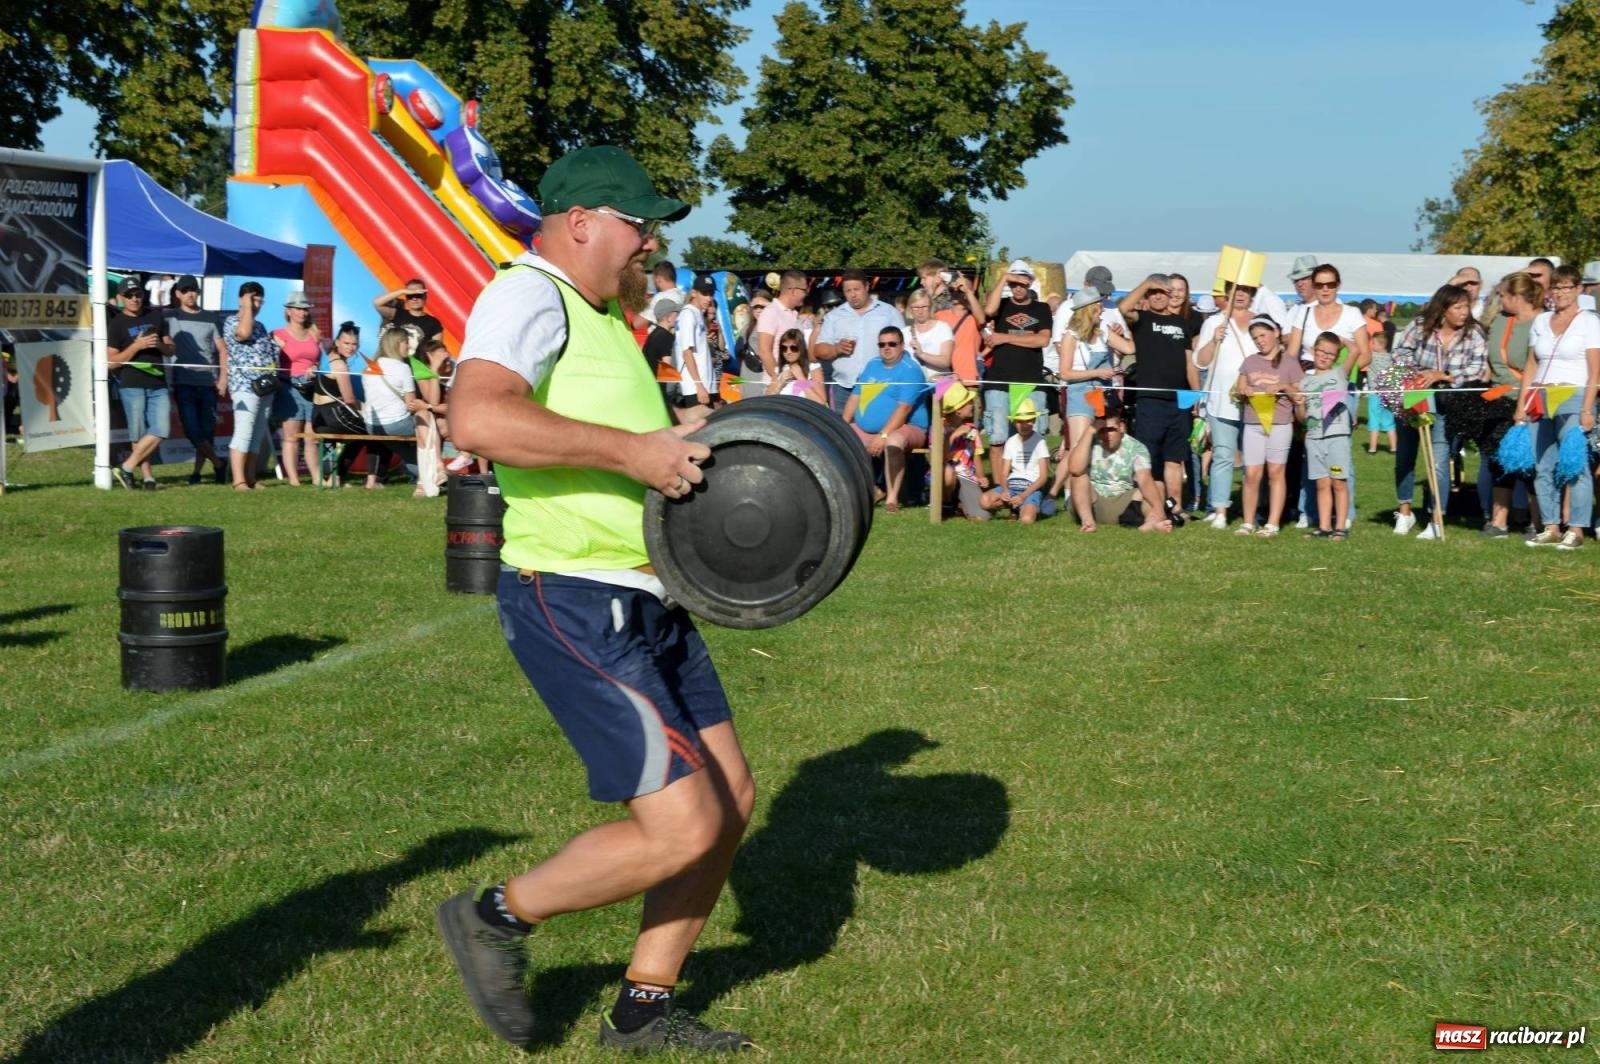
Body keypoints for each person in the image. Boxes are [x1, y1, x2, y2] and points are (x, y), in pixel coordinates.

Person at [439, 145, 754, 1053]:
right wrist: (632, 451)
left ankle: (642, 1012)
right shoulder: (528, 293)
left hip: (651, 595)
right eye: (635, 222)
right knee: (682, 825)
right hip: (573, 597)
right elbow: (479, 416)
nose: (647, 240)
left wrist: (690, 433)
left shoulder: (601, 313)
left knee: (730, 799)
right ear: (581, 221)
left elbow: (619, 433)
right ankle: (495, 916)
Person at [1391, 283, 1487, 539]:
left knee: (1439, 462)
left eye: (1467, 306)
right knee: (1405, 456)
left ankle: (1436, 518)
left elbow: (1476, 369)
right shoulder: (1420, 325)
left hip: (1448, 404)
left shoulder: (1474, 333)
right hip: (1414, 396)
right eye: (1458, 307)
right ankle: (1405, 511)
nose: (1464, 312)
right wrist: (1417, 373)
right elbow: (1400, 353)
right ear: (1444, 309)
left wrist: (1442, 375)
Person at [1518, 263, 1600, 550]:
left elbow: (1595, 371)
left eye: (1567, 287)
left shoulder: (1589, 322)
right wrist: (1522, 404)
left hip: (1574, 396)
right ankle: (1550, 526)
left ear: (1578, 289)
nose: (1562, 292)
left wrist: (1587, 408)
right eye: (1557, 287)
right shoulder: (1540, 321)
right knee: (1542, 465)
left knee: (1574, 465)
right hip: (1540, 398)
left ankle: (1576, 529)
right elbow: (1531, 365)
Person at [1284, 263, 1370, 527]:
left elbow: (1364, 353)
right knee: (1311, 448)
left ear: (1338, 285)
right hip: (1308, 386)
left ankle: (1344, 517)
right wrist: (1296, 383)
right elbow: (1291, 354)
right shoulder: (1303, 313)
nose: (1324, 289)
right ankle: (1309, 512)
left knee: (1339, 450)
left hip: (1338, 385)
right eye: (1319, 284)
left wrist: (1337, 368)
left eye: (1330, 284)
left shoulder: (1352, 314)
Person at [1117, 273, 1200, 525]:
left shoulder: (1181, 323)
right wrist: (1146, 284)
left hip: (1179, 399)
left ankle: (1177, 507)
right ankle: (1156, 507)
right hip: (1150, 400)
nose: (1158, 296)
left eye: (1162, 292)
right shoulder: (1141, 319)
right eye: (1153, 292)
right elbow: (1123, 307)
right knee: (1150, 458)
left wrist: (1196, 395)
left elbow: (1189, 362)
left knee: (1175, 457)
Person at [1046, 287, 1130, 499]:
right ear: (1088, 309)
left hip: (1101, 393)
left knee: (1095, 447)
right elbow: (1065, 372)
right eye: (1098, 307)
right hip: (1079, 392)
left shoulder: (1103, 330)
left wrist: (1121, 334)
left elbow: (1130, 349)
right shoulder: (1070, 336)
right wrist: (1097, 372)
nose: (1102, 310)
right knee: (1077, 448)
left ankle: (1085, 494)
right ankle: (1061, 492)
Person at [1478, 272, 1542, 535]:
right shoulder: (1500, 322)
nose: (1499, 299)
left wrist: (1523, 407)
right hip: (1499, 399)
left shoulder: (1541, 322)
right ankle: (1499, 521)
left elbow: (1534, 364)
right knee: (1499, 460)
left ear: (1517, 297)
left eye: (1503, 295)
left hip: (1531, 401)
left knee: (1530, 464)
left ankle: (1538, 521)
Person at [841, 325, 930, 513]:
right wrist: (840, 426)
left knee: (893, 442)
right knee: (839, 440)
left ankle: (892, 499)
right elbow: (855, 397)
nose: (886, 348)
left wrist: (882, 435)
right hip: (867, 429)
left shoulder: (910, 370)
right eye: (882, 344)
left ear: (901, 346)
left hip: (908, 427)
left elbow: (904, 409)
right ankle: (868, 491)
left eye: (892, 344)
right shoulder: (872, 365)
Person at [1193, 280, 1259, 529]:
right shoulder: (1213, 322)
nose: (1241, 295)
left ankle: (1254, 510)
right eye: (1236, 290)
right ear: (1228, 293)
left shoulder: (1260, 321)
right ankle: (1220, 510)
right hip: (1222, 400)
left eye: (1246, 290)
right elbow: (1200, 361)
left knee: (1254, 458)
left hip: (1255, 399)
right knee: (1222, 454)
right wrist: (1213, 340)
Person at [979, 260, 1053, 475]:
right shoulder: (1001, 305)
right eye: (1014, 283)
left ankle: (1029, 482)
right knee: (997, 438)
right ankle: (1000, 487)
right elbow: (988, 310)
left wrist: (1003, 337)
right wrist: (1003, 278)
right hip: (1000, 379)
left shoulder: (1041, 308)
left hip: (1030, 379)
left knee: (1033, 437)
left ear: (1030, 283)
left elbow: (1042, 340)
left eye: (1022, 282)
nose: (1018, 287)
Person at [1233, 317, 1303, 537]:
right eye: (1255, 338)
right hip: (1253, 422)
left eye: (1263, 335)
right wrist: (1242, 392)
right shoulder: (1249, 362)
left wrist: (1283, 386)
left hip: (1280, 423)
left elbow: (1300, 395)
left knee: (1275, 472)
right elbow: (1238, 388)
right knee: (1252, 474)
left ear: (1275, 333)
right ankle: (1248, 522)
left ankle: (1272, 523)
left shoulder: (1290, 362)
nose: (1259, 341)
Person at [107, 275, 176, 490]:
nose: (134, 299)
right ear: (120, 298)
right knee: (137, 433)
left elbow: (172, 348)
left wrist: (160, 346)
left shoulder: (156, 316)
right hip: (131, 383)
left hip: (157, 382)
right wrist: (136, 347)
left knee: (162, 429)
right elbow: (111, 362)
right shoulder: (116, 324)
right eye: (129, 296)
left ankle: (126, 467)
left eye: (137, 294)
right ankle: (147, 477)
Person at [1063, 404, 1171, 533]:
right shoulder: (1089, 441)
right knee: (1078, 477)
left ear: (1121, 427)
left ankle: (1152, 521)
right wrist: (1089, 431)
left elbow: (1144, 479)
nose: (1107, 435)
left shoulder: (1136, 447)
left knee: (1157, 485)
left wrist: (1159, 510)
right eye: (1102, 430)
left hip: (1123, 501)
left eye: (1111, 429)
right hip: (1092, 501)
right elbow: (1075, 469)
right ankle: (1088, 522)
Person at [164, 274, 229, 485]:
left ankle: (197, 472)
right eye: (185, 290)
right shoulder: (170, 316)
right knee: (191, 429)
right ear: (177, 294)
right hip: (183, 383)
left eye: (193, 289)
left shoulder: (210, 317)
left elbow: (222, 349)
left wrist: (222, 379)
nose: (190, 294)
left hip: (207, 383)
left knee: (206, 430)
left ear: (198, 292)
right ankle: (219, 463)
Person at [815, 270, 905, 414]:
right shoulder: (834, 316)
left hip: (879, 386)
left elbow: (904, 348)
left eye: (856, 289)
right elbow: (818, 350)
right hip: (844, 388)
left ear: (867, 287)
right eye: (848, 291)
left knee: (874, 429)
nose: (852, 295)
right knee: (842, 432)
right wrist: (836, 349)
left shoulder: (888, 313)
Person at [222, 281, 280, 491]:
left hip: (264, 387)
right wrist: (246, 306)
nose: (256, 304)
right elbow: (244, 333)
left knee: (256, 435)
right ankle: (238, 481)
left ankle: (251, 477)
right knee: (243, 433)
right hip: (244, 387)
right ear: (241, 299)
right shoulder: (232, 322)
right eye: (251, 298)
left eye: (258, 299)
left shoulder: (261, 326)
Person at [1299, 332, 1354, 539]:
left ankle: (1340, 526)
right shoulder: (1305, 382)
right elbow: (1303, 417)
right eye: (1321, 351)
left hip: (1336, 437)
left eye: (1331, 354)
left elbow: (1356, 350)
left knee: (1338, 482)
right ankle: (1324, 527)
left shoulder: (1340, 374)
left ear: (1337, 357)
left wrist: (1342, 340)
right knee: (1321, 483)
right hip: (1314, 438)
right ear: (1314, 350)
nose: (1324, 357)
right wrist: (1298, 405)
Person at [361, 326, 426, 492]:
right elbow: (411, 404)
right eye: (406, 342)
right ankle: (434, 470)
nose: (408, 347)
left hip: (372, 426)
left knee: (406, 452)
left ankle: (424, 474)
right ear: (397, 344)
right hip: (396, 424)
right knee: (431, 425)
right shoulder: (402, 368)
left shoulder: (368, 368)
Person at [270, 292, 323, 487]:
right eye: (299, 308)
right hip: (288, 387)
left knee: (311, 436)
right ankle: (293, 479)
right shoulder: (278, 334)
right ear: (289, 311)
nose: (303, 312)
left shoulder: (314, 334)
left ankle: (317, 477)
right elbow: (271, 362)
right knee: (291, 436)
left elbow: (318, 359)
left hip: (311, 387)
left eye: (305, 309)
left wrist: (315, 367)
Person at [310, 321, 368, 485]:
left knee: (331, 439)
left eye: (354, 344)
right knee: (370, 432)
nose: (350, 347)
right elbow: (349, 399)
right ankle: (338, 475)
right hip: (332, 415)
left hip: (317, 416)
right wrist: (365, 409)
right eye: (346, 343)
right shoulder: (340, 365)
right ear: (337, 342)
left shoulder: (326, 359)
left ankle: (329, 477)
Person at [916, 259, 985, 387]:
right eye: (952, 291)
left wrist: (967, 291)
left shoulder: (972, 317)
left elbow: (982, 319)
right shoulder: (942, 315)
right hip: (943, 375)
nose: (955, 293)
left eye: (960, 291)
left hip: (967, 375)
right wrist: (931, 291)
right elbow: (924, 322)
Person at [981, 399, 1051, 523]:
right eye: (1020, 421)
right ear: (1014, 422)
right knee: (984, 501)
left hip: (1030, 487)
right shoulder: (1011, 441)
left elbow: (1043, 477)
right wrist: (1005, 490)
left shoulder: (1040, 442)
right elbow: (1003, 474)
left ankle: (1027, 508)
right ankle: (1014, 507)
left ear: (1034, 421)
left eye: (1028, 421)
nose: (1024, 425)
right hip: (1012, 485)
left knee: (1027, 520)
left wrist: (1023, 496)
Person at [939, 381, 989, 520]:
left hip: (967, 475)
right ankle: (946, 503)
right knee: (948, 472)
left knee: (983, 516)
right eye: (969, 402)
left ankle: (961, 504)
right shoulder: (939, 428)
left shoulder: (972, 429)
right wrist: (953, 436)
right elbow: (940, 459)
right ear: (958, 409)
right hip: (944, 474)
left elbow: (976, 456)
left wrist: (981, 476)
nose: (972, 405)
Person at [753, 270, 807, 383]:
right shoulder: (771, 312)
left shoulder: (794, 314)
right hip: (779, 387)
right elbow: (764, 351)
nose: (806, 294)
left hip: (797, 384)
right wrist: (779, 379)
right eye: (804, 290)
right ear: (793, 291)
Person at [673, 276, 717, 410]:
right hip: (696, 388)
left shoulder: (697, 314)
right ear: (694, 293)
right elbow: (687, 353)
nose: (708, 299)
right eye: (704, 294)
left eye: (711, 294)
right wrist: (699, 385)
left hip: (706, 384)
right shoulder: (688, 315)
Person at [374, 277, 444, 344]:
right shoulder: (398, 314)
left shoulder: (433, 323)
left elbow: (436, 349)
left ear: (425, 297)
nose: (414, 299)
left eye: (418, 295)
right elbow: (377, 303)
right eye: (410, 295)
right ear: (407, 298)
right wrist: (402, 291)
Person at [904, 289, 954, 380]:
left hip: (938, 386)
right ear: (910, 309)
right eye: (916, 307)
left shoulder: (942, 328)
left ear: (930, 307)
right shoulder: (904, 333)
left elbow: (945, 361)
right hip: (915, 386)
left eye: (924, 306)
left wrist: (921, 354)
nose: (920, 311)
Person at [766, 328, 826, 403]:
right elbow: (768, 399)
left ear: (801, 348)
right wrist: (780, 382)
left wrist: (801, 378)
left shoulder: (813, 369)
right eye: (784, 348)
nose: (788, 352)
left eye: (793, 348)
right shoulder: (779, 370)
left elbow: (820, 402)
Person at [1365, 327, 1398, 455]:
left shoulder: (1371, 356)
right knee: (1389, 422)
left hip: (1375, 394)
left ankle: (1372, 449)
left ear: (1379, 345)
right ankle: (1394, 448)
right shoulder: (1392, 359)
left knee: (1374, 421)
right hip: (1389, 395)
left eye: (1373, 343)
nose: (1371, 345)